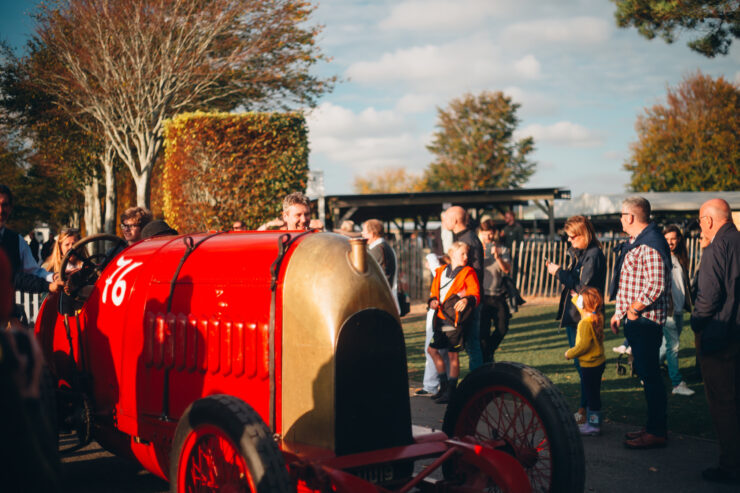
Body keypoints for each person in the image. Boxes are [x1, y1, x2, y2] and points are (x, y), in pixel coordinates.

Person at [609, 196, 671, 449]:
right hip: (636, 319)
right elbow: (629, 284)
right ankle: (652, 426)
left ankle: (657, 431)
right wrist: (618, 312)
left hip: (645, 321)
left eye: (622, 214)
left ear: (631, 217)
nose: (620, 219)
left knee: (650, 377)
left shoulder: (651, 244)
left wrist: (633, 309)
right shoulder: (637, 242)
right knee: (645, 374)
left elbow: (655, 285)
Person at [691, 198, 740, 484]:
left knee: (723, 403)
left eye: (700, 220)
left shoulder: (715, 248)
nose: (700, 226)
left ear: (709, 220)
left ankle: (730, 465)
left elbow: (707, 298)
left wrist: (697, 324)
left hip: (720, 335)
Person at [545, 215, 606, 425]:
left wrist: (558, 272)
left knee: (586, 367)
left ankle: (588, 411)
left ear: (583, 234)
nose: (569, 241)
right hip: (577, 315)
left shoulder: (593, 255)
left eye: (572, 237)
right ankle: (586, 409)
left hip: (585, 315)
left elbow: (583, 287)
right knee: (583, 367)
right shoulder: (584, 254)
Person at [0, 185, 62, 324]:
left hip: (7, 318)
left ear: (10, 208)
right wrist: (47, 286)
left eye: (4, 205)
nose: (1, 210)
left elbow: (33, 271)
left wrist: (54, 276)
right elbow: (13, 277)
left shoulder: (17, 241)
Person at [427, 242, 480, 404]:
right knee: (432, 350)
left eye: (467, 254)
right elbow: (434, 291)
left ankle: (451, 390)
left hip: (455, 319)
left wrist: (466, 299)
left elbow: (475, 293)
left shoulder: (468, 272)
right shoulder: (441, 271)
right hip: (441, 317)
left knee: (452, 355)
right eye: (462, 254)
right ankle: (443, 387)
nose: (466, 257)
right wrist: (432, 301)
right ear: (452, 254)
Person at [442, 206, 484, 371]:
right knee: (466, 343)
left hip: (469, 300)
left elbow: (475, 272)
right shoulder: (463, 237)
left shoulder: (469, 239)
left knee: (472, 344)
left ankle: (477, 385)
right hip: (462, 299)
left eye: (446, 218)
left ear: (454, 220)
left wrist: (467, 298)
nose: (444, 222)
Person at [565, 287, 606, 436]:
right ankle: (594, 422)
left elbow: (583, 346)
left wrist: (569, 353)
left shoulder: (584, 324)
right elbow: (584, 310)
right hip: (599, 363)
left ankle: (593, 426)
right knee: (594, 394)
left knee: (591, 396)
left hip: (589, 366)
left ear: (586, 304)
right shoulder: (597, 316)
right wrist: (576, 298)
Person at [660, 225, 694, 397]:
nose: (670, 242)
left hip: (679, 309)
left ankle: (645, 368)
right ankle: (677, 383)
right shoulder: (661, 257)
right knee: (673, 347)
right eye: (666, 239)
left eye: (673, 238)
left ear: (679, 239)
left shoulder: (680, 258)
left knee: (667, 346)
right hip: (668, 310)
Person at [477, 220, 511, 363]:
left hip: (498, 296)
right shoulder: (476, 251)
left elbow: (507, 270)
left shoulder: (503, 250)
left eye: (490, 234)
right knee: (483, 332)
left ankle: (488, 352)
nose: (488, 237)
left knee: (502, 328)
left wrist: (497, 257)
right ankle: (487, 359)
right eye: (485, 234)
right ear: (480, 234)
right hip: (483, 296)